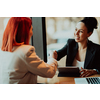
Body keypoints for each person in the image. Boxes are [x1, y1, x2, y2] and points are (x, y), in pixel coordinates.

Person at [0, 17, 57, 84]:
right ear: (25, 32)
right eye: (31, 29)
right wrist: (52, 58)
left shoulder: (3, 52)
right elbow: (49, 72)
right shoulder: (25, 51)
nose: (32, 32)